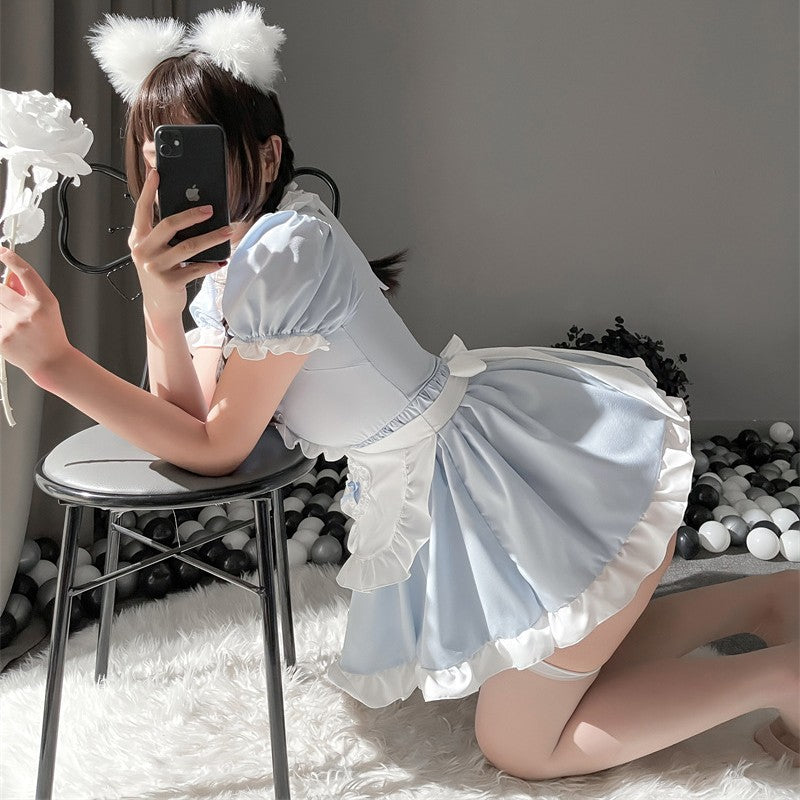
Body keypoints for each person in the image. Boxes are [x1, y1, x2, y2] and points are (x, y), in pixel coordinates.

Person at [1, 2, 797, 781]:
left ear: (268, 157)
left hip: (520, 484)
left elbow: (215, 448)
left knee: (524, 746)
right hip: (472, 476)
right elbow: (186, 419)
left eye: (192, 151)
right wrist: (159, 301)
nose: (168, 178)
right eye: (155, 157)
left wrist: (55, 364)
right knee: (569, 667)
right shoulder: (235, 266)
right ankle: (770, 605)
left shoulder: (284, 250)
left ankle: (781, 678)